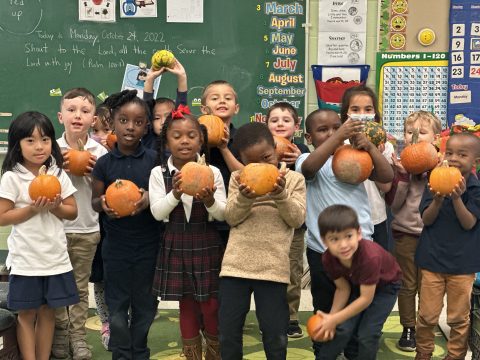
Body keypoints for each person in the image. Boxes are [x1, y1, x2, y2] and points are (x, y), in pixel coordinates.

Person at [295, 108, 394, 359]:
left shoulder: (354, 156)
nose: (331, 132)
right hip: (321, 250)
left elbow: (386, 176)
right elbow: (308, 170)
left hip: (359, 249)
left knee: (354, 312)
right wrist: (338, 136)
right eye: (323, 130)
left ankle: (351, 352)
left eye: (335, 126)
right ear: (308, 137)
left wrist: (370, 148)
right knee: (324, 304)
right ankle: (322, 351)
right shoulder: (307, 158)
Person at [219, 122, 306, 359]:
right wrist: (246, 199)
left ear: (275, 149)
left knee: (275, 333)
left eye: (267, 157)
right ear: (244, 161)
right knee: (228, 333)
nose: (263, 165)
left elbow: (296, 220)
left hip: (273, 269)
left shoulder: (294, 179)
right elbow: (232, 218)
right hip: (235, 268)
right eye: (253, 162)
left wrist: (280, 194)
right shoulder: (238, 178)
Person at [0, 111, 79, 360]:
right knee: (26, 314)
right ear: (17, 144)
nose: (39, 147)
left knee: (47, 311)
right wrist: (32, 209)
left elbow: (72, 212)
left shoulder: (58, 174)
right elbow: (2, 216)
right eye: (30, 141)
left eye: (45, 140)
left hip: (54, 259)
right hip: (26, 261)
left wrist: (54, 207)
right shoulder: (12, 177)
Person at [149, 106, 226, 359]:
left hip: (206, 242)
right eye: (177, 135)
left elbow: (223, 214)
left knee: (212, 305)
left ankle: (214, 353)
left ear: (201, 139)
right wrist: (176, 193)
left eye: (191, 135)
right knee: (188, 306)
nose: (184, 141)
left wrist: (211, 201)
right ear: (167, 140)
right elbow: (158, 213)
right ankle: (191, 354)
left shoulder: (212, 172)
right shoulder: (159, 173)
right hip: (177, 243)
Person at [91, 90, 159, 359]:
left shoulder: (155, 160)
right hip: (116, 246)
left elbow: (163, 195)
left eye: (139, 121)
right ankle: (120, 351)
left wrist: (149, 197)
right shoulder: (104, 164)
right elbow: (95, 200)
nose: (131, 127)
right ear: (113, 123)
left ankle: (139, 350)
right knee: (116, 304)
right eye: (124, 120)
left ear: (146, 125)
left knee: (145, 304)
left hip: (149, 244)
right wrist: (104, 205)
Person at [54, 87, 109, 360]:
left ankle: (78, 339)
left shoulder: (100, 152)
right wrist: (58, 173)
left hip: (87, 230)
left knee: (78, 288)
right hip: (55, 231)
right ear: (60, 116)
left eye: (85, 111)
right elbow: (43, 189)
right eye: (71, 110)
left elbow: (105, 196)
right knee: (56, 287)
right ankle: (60, 337)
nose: (78, 115)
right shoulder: (50, 149)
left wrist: (91, 175)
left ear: (94, 118)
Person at [414, 132, 480, 360]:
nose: (454, 158)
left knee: (458, 318)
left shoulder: (474, 188)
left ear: (475, 161)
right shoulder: (435, 179)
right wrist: (439, 198)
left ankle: (455, 355)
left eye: (462, 154)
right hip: (432, 260)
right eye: (450, 152)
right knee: (427, 315)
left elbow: (469, 223)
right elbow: (426, 219)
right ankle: (423, 351)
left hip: (463, 265)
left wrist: (457, 198)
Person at [311, 204, 401, 360]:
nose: (343, 245)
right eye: (334, 239)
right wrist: (331, 319)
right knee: (342, 328)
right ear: (324, 241)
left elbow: (366, 299)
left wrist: (334, 318)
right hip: (360, 284)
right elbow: (343, 289)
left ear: (359, 233)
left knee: (367, 334)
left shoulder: (369, 257)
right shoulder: (328, 258)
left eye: (348, 236)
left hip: (386, 287)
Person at [385, 110, 442, 352]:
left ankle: (424, 326)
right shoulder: (401, 167)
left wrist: (433, 172)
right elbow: (394, 205)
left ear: (436, 138)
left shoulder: (443, 165)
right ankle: (408, 326)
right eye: (410, 132)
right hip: (405, 233)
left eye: (422, 132)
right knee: (408, 284)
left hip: (434, 236)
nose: (415, 136)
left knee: (429, 284)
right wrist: (404, 177)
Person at [266, 101, 309, 338]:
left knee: (293, 269)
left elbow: (310, 177)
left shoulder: (302, 151)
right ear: (266, 124)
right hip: (266, 220)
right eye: (274, 120)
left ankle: (291, 315)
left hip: (294, 223)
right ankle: (269, 313)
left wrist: (300, 160)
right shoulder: (261, 149)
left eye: (286, 120)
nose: (280, 123)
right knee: (267, 270)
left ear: (296, 125)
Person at [339, 85, 394, 251]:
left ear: (375, 114)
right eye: (355, 109)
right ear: (346, 114)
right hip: (345, 218)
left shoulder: (385, 146)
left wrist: (375, 156)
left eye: (368, 109)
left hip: (375, 216)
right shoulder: (339, 144)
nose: (362, 114)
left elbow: (386, 186)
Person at [200, 80, 244, 245]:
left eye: (227, 98)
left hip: (235, 217)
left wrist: (224, 148)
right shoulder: (193, 135)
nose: (222, 101)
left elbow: (245, 176)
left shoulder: (242, 137)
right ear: (204, 109)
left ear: (236, 108)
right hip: (201, 216)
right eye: (215, 98)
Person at [89, 103, 114, 350]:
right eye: (102, 123)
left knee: (117, 275)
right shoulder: (88, 147)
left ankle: (121, 319)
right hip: (94, 220)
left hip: (117, 219)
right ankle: (106, 322)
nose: (106, 128)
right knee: (100, 277)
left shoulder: (120, 145)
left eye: (110, 124)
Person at [141, 59, 188, 149]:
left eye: (168, 116)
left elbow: (182, 106)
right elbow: (146, 108)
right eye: (157, 118)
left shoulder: (180, 141)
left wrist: (182, 76)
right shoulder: (148, 138)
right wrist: (150, 79)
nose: (163, 122)